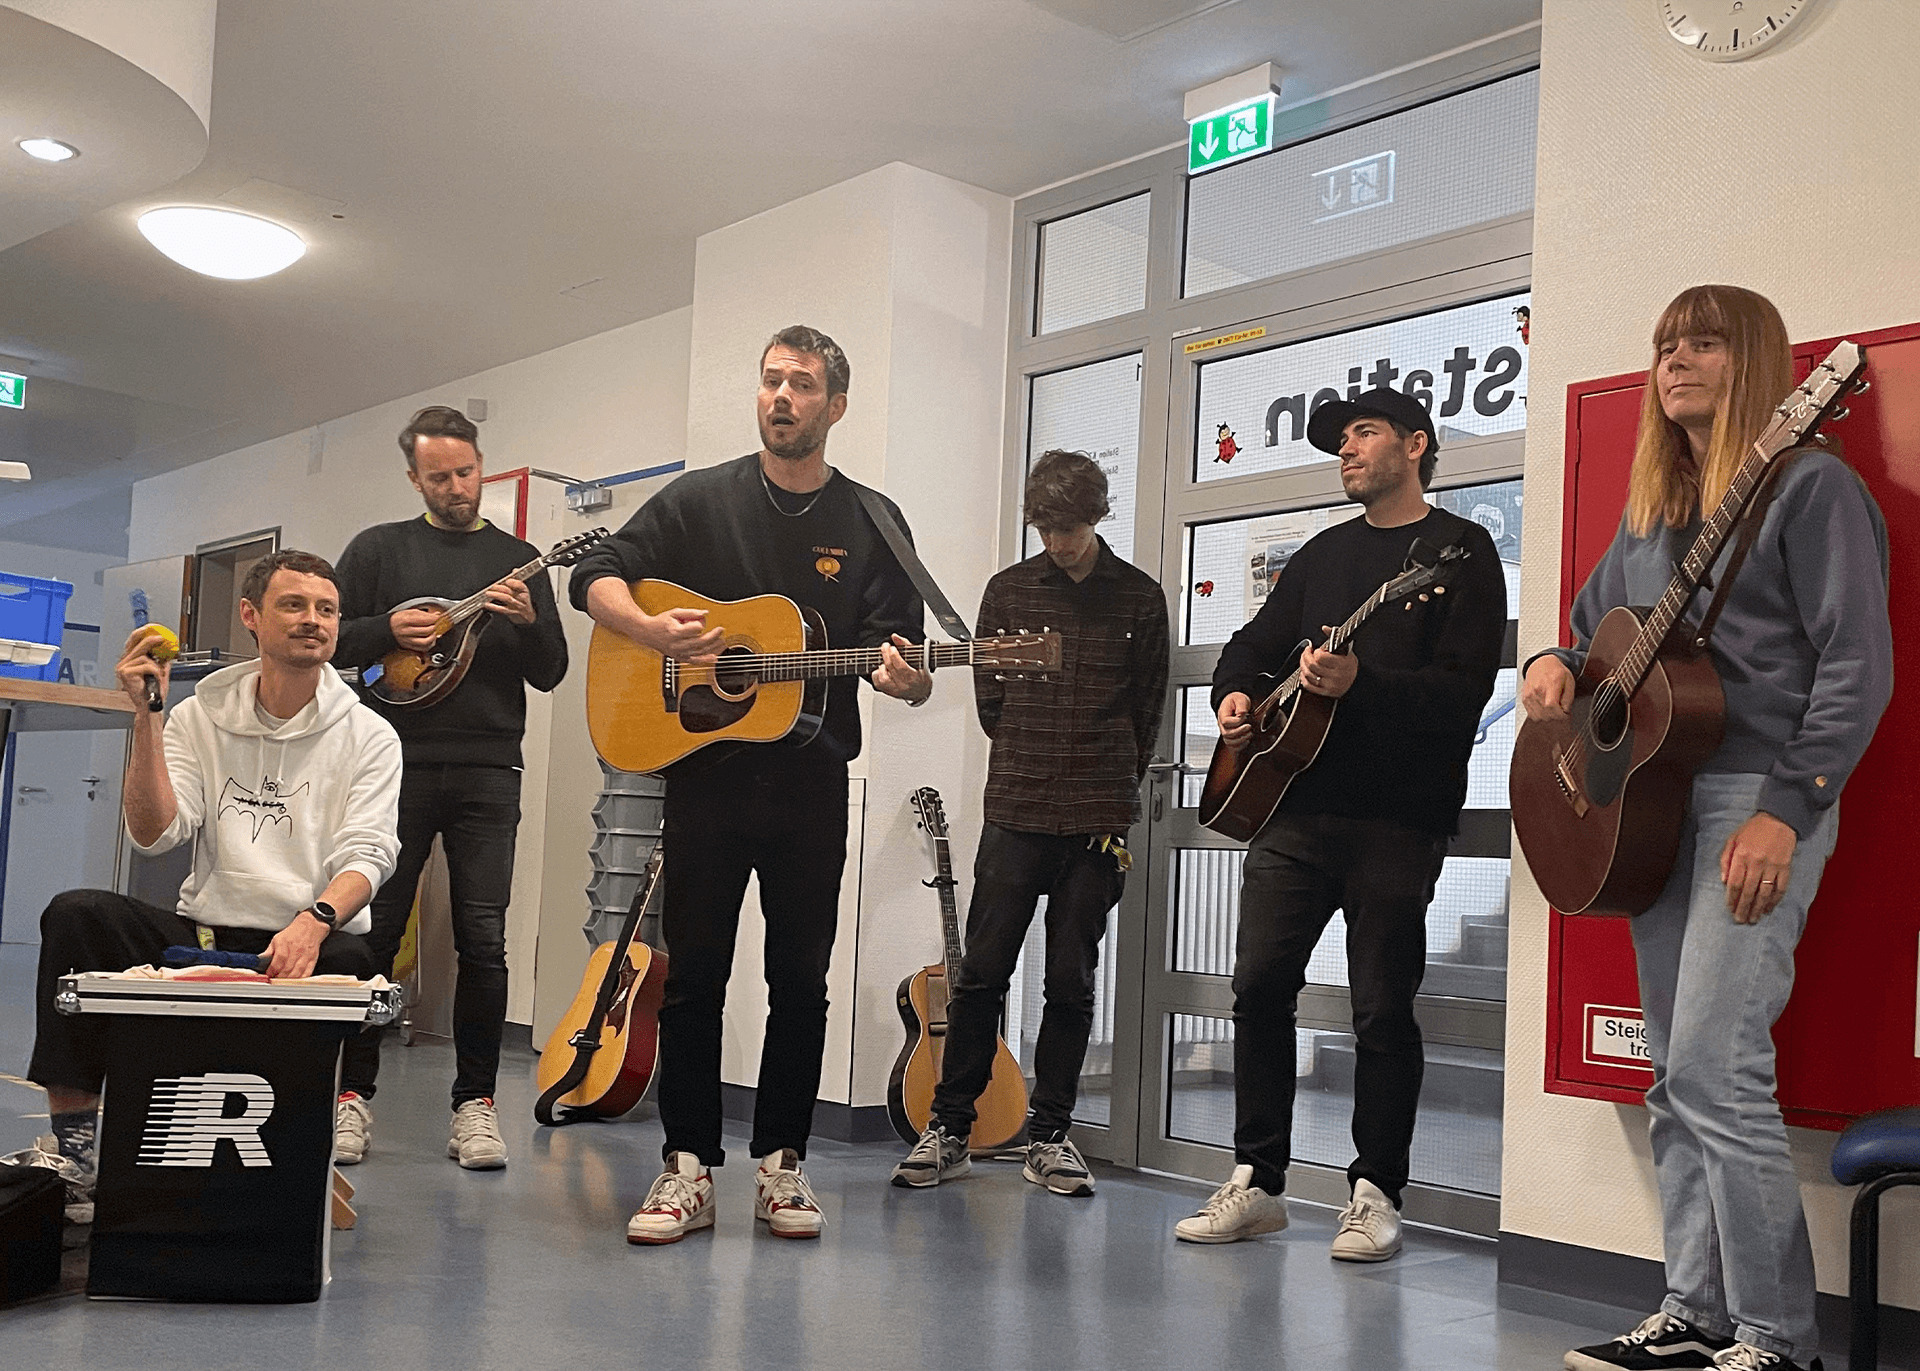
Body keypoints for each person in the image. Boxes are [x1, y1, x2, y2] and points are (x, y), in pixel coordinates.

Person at [1533, 286, 1892, 1371]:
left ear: (1759, 361)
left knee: (1712, 1066)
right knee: (1672, 1077)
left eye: (1702, 342)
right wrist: (1553, 661)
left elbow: (1858, 670)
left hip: (1757, 801)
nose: (1675, 360)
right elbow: (1588, 631)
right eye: (1663, 346)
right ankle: (1691, 1311)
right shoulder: (1649, 512)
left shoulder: (1812, 486)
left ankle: (1779, 1338)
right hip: (1654, 811)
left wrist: (1789, 811)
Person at [571, 324, 932, 1244]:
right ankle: (686, 1165)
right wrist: (650, 633)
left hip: (811, 784)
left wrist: (910, 677)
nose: (781, 396)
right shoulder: (700, 500)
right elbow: (596, 573)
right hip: (707, 778)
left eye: (802, 384)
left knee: (799, 980)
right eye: (770, 379)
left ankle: (783, 1163)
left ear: (835, 406)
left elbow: (905, 657)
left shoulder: (873, 520)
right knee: (695, 977)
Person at [1174, 387, 1505, 1259]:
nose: (1347, 450)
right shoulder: (1322, 554)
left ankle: (1375, 1191)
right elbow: (1252, 644)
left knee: (1381, 1008)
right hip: (1295, 809)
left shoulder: (1458, 553)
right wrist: (1236, 695)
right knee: (1257, 989)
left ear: (1416, 444)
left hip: (1399, 819)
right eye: (1343, 439)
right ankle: (1258, 1181)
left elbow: (1464, 692)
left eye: (1364, 433)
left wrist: (1364, 684)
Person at [8, 551, 399, 1230]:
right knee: (77, 915)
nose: (313, 620)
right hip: (207, 937)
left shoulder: (369, 734)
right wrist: (147, 716)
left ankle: (326, 1120)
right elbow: (154, 833)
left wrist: (313, 920)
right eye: (294, 604)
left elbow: (370, 852)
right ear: (251, 615)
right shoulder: (199, 714)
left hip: (309, 944)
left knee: (358, 959)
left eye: (326, 609)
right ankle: (81, 1154)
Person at [889, 450, 1167, 1196]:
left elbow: (1148, 709)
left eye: (1070, 529)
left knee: (1072, 981)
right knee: (980, 975)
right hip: (1015, 806)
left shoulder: (1140, 597)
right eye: (1047, 530)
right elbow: (990, 701)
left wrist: (1108, 778)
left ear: (1097, 517)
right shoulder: (1007, 591)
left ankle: (1050, 1134)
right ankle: (950, 1127)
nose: (1060, 543)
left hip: (1097, 817)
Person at [331, 405, 569, 1171]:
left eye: (466, 471)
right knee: (374, 928)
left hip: (489, 770)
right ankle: (351, 1098)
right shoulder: (377, 550)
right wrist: (385, 631)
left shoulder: (518, 557)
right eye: (440, 476)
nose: (458, 486)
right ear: (414, 477)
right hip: (388, 764)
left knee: (485, 938)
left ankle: (476, 1104)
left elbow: (552, 670)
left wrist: (531, 619)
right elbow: (326, 638)